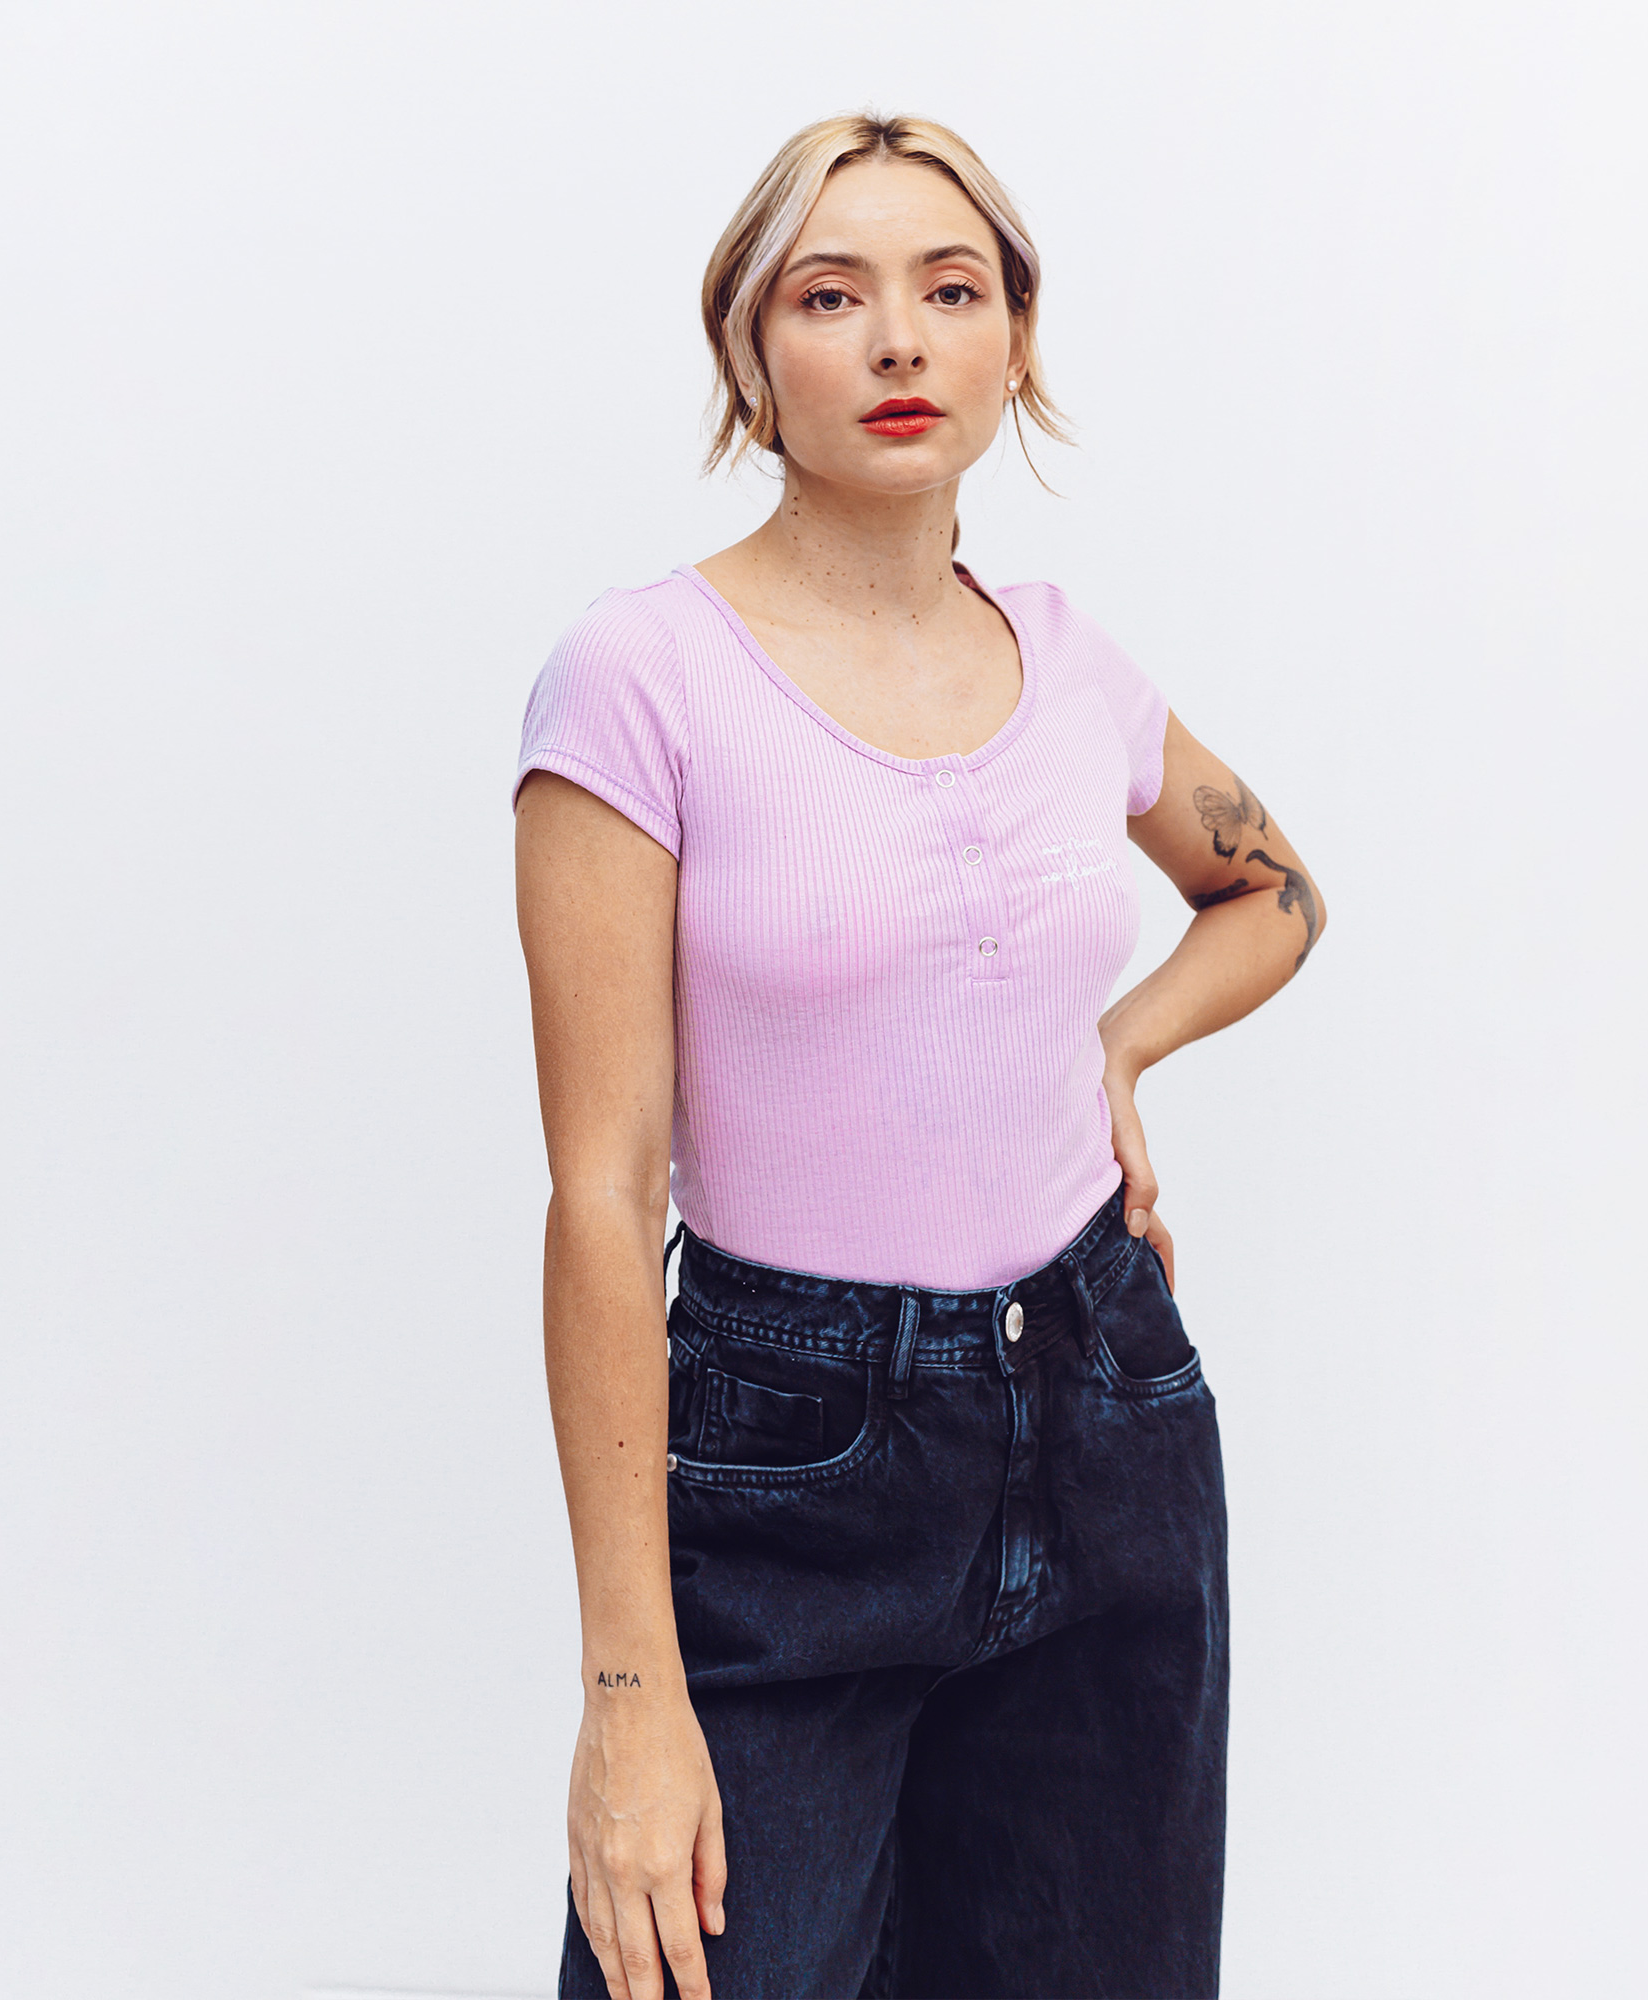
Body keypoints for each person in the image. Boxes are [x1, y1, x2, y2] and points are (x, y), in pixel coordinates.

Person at [511, 111, 1326, 2000]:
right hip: (790, 1465)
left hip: (1107, 1411)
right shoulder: (638, 680)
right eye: (832, 295)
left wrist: (1114, 1053)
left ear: (1015, 343)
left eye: (952, 292)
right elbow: (601, 1197)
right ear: (749, 355)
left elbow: (1275, 895)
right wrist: (628, 1695)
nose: (899, 340)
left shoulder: (1072, 660)